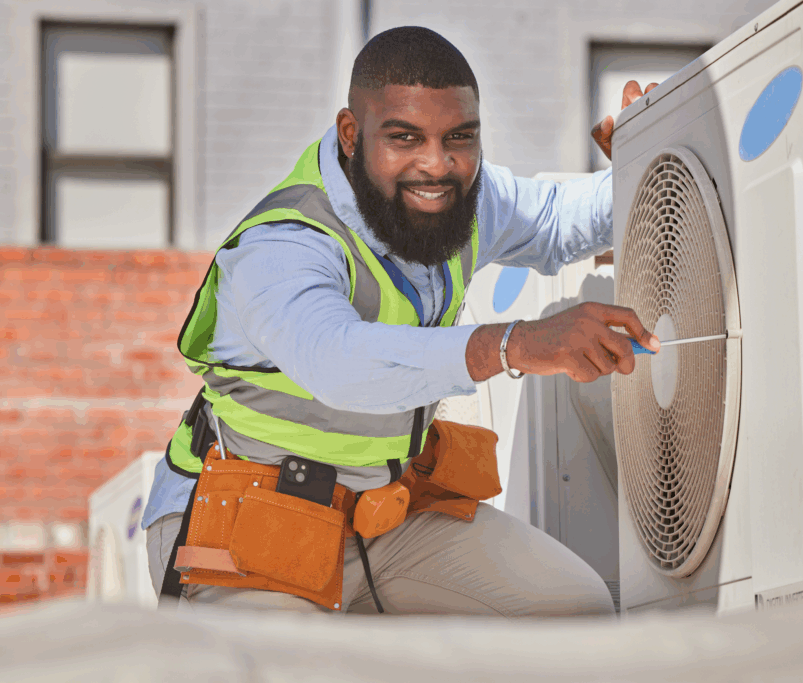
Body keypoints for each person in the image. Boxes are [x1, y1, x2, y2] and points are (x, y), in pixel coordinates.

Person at [143, 25, 660, 618]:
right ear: (350, 134)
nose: (436, 166)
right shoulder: (283, 245)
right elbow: (338, 362)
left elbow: (555, 220)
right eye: (404, 138)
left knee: (577, 610)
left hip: (382, 518)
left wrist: (643, 160)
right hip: (245, 524)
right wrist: (513, 344)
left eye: (459, 138)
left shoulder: (465, 198)